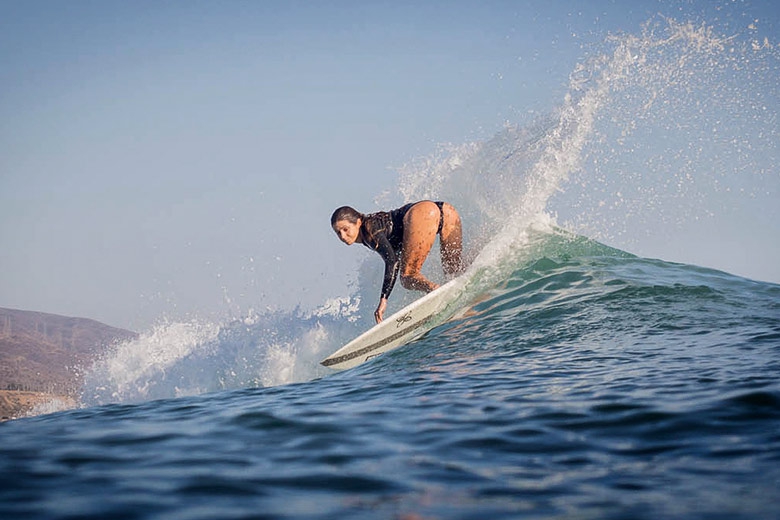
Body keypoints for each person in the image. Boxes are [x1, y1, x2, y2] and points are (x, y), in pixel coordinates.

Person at [331, 200, 463, 323]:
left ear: (358, 222)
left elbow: (392, 261)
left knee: (407, 277)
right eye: (338, 233)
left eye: (345, 229)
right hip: (445, 210)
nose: (342, 236)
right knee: (454, 273)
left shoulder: (369, 232)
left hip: (422, 214)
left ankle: (435, 291)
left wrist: (383, 299)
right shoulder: (373, 224)